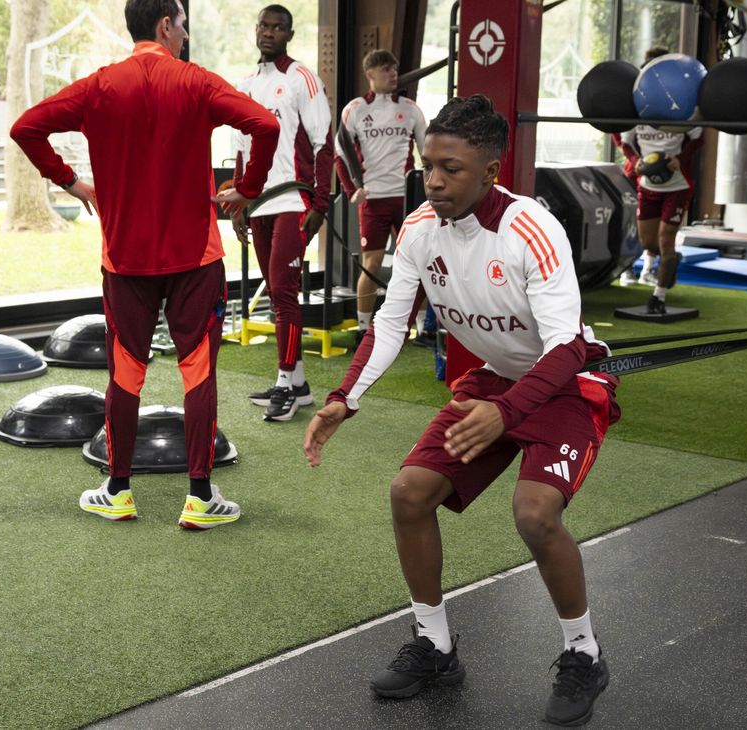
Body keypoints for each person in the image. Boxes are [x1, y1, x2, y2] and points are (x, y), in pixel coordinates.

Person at [304, 95, 619, 726]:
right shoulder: (420, 229)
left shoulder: (532, 228)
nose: (436, 180)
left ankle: (583, 653)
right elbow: (391, 322)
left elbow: (567, 347)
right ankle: (435, 644)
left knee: (534, 515)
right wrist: (345, 396)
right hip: (495, 381)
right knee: (409, 493)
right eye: (429, 166)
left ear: (491, 172)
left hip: (563, 385)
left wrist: (508, 414)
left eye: (452, 168)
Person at [11, 0, 279, 529]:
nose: (184, 36)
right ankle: (200, 498)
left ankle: (118, 490)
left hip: (125, 261)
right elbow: (265, 124)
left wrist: (69, 181)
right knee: (197, 373)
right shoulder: (196, 80)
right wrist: (246, 190)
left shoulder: (99, 86)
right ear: (165, 25)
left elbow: (26, 128)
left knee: (125, 374)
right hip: (196, 259)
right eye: (183, 25)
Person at [232, 4, 333, 422]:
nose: (269, 32)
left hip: (294, 200)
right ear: (256, 30)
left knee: (283, 290)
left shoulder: (302, 79)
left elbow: (325, 144)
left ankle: (284, 382)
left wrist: (321, 204)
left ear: (289, 34)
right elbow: (240, 149)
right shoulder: (246, 84)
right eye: (264, 25)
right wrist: (238, 201)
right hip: (257, 205)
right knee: (275, 292)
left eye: (278, 28)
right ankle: (301, 386)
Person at [333, 49, 429, 348]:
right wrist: (352, 191)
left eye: (395, 69)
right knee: (371, 264)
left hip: (406, 198)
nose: (393, 74)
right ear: (370, 74)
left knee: (419, 262)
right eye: (386, 70)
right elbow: (340, 155)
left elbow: (427, 155)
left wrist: (429, 193)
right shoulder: (356, 109)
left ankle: (423, 328)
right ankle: (364, 328)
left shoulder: (412, 109)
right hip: (373, 199)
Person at [615, 46, 703, 314]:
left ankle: (659, 296)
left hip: (677, 185)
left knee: (666, 240)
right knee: (648, 244)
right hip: (648, 184)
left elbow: (698, 136)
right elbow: (622, 140)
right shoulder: (637, 106)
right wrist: (635, 161)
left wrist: (682, 159)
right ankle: (671, 261)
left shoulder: (684, 105)